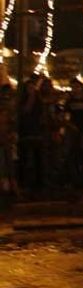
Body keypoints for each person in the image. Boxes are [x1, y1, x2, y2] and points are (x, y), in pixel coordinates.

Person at [0, 66, 16, 196]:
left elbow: (11, 123)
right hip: (3, 138)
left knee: (8, 163)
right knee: (3, 163)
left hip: (6, 138)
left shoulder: (10, 111)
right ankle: (6, 186)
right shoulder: (5, 110)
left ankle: (10, 186)